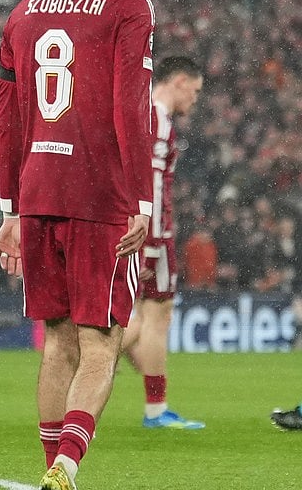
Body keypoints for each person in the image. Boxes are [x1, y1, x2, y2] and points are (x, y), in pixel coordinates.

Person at [0, 0, 152, 488]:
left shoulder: (23, 10)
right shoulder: (128, 6)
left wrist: (9, 208)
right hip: (99, 195)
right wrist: (142, 200)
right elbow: (132, 107)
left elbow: (5, 119)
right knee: (101, 343)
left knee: (57, 341)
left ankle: (51, 468)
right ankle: (65, 465)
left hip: (37, 192)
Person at [120, 56, 205, 430]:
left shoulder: (147, 113)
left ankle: (85, 364)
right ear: (180, 81)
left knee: (141, 313)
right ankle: (155, 409)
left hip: (144, 229)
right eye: (196, 91)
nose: (196, 100)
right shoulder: (156, 117)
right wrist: (153, 235)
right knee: (156, 314)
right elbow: (149, 182)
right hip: (153, 231)